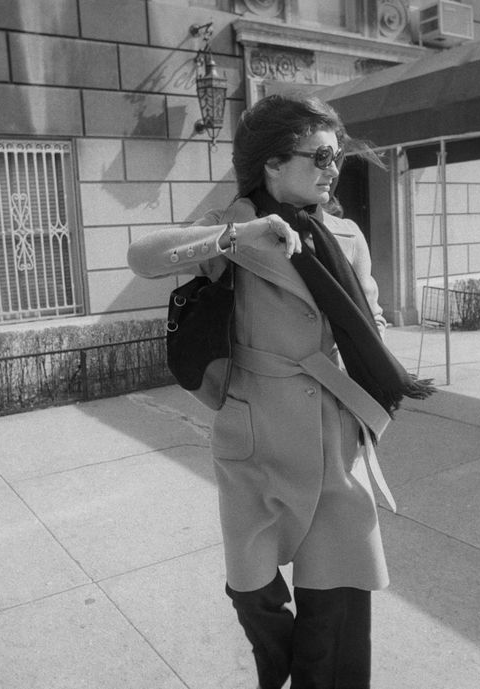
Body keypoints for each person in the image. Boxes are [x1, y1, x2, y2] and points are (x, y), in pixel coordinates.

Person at [127, 93, 433, 689]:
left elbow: (364, 319)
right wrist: (232, 237)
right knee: (254, 593)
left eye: (337, 155)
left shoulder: (345, 235)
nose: (333, 167)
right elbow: (142, 257)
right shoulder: (235, 230)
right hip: (258, 440)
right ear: (272, 162)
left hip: (333, 436)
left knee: (339, 607)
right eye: (319, 156)